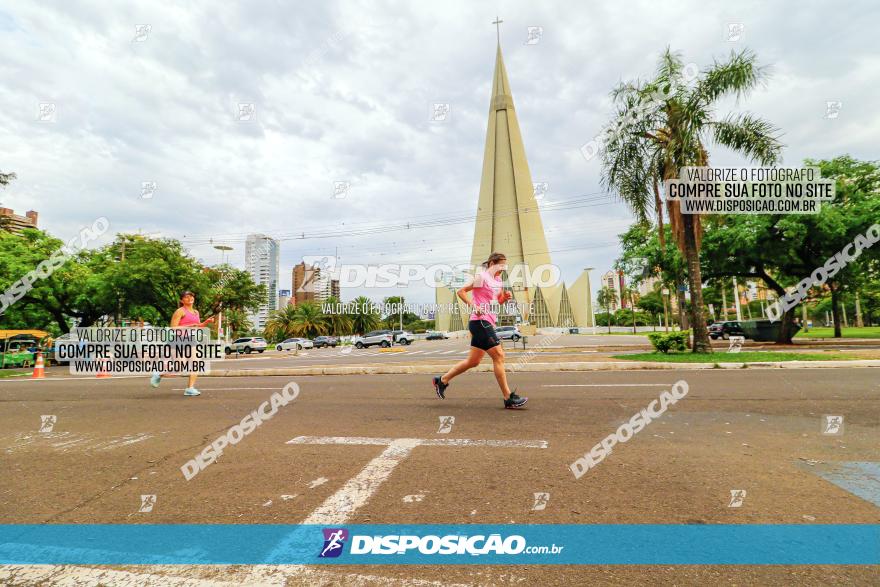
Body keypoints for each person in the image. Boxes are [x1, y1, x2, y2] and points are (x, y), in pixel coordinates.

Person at [432, 252, 527, 409]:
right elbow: (461, 291)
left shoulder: (498, 281)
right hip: (480, 322)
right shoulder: (482, 277)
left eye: (505, 265)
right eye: (501, 264)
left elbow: (498, 301)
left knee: (473, 362)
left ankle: (441, 380)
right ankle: (508, 397)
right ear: (491, 264)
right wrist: (474, 306)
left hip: (487, 322)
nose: (503, 268)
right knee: (499, 356)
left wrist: (505, 298)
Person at [150, 291, 214, 396]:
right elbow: (173, 328)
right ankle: (159, 373)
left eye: (191, 296)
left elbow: (197, 325)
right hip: (178, 340)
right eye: (187, 297)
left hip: (191, 340)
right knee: (180, 367)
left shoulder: (196, 312)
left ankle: (190, 388)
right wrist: (189, 326)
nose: (190, 298)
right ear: (182, 300)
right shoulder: (180, 311)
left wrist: (205, 322)